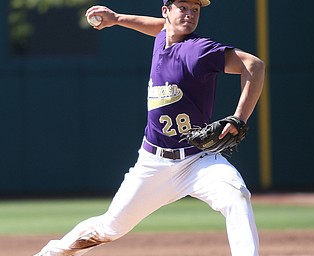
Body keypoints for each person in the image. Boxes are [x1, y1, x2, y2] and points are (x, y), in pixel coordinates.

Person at [35, 0, 265, 255]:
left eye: (195, 10)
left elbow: (254, 65)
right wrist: (117, 18)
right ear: (166, 12)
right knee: (110, 227)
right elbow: (158, 28)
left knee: (237, 195)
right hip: (153, 163)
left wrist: (238, 118)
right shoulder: (162, 37)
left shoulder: (199, 50)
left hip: (198, 160)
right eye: (183, 8)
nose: (190, 14)